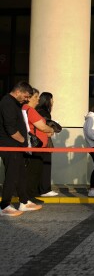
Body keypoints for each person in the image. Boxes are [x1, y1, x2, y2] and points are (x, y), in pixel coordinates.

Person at [0, 81, 41, 217]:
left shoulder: (15, 103)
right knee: (11, 175)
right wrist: (25, 142)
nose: (27, 99)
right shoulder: (7, 102)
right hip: (9, 145)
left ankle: (24, 201)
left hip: (16, 145)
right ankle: (4, 205)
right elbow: (10, 129)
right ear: (18, 91)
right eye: (26, 96)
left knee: (21, 174)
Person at [24, 88, 55, 203]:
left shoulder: (28, 110)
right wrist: (51, 129)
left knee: (34, 171)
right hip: (35, 146)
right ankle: (28, 197)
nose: (38, 100)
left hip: (36, 145)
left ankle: (30, 196)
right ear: (29, 97)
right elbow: (42, 126)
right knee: (34, 172)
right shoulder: (30, 110)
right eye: (36, 97)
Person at [36, 92, 58, 197]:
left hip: (38, 142)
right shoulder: (44, 112)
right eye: (52, 99)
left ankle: (40, 188)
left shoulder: (37, 110)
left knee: (40, 165)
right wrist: (52, 129)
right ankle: (45, 189)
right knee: (46, 164)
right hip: (44, 142)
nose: (53, 102)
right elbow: (45, 127)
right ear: (48, 100)